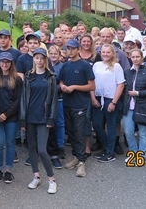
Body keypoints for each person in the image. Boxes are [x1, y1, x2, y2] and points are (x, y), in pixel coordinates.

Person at [20, 47, 58, 194]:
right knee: (31, 148)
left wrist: (51, 118)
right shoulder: (28, 76)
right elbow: (24, 98)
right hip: (30, 117)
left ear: (45, 59)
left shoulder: (51, 77)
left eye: (42, 58)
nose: (39, 60)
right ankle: (36, 176)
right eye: (37, 58)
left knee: (42, 150)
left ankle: (51, 179)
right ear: (33, 59)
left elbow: (54, 99)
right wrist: (22, 119)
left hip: (44, 117)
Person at [59, 39, 95, 177]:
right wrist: (63, 86)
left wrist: (74, 87)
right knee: (72, 132)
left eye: (73, 48)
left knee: (80, 132)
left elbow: (92, 86)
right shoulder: (65, 65)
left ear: (78, 49)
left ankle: (82, 163)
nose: (71, 51)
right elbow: (61, 81)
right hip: (67, 103)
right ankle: (76, 157)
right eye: (68, 48)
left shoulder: (85, 65)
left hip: (80, 104)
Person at [120, 49, 146, 161]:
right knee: (128, 131)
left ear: (142, 58)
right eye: (133, 57)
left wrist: (138, 93)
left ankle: (143, 154)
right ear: (130, 58)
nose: (135, 59)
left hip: (143, 106)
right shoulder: (127, 71)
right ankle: (134, 153)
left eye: (138, 57)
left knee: (143, 132)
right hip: (128, 106)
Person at [91, 44, 125, 163]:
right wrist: (93, 98)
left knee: (111, 125)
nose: (105, 54)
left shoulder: (116, 66)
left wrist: (114, 102)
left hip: (110, 99)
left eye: (108, 52)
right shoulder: (96, 65)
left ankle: (110, 152)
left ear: (113, 53)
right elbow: (91, 82)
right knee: (96, 125)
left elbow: (121, 85)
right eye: (103, 52)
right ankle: (106, 147)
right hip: (98, 98)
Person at [0, 52, 22, 184]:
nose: (5, 64)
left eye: (7, 62)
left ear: (11, 64)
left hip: (11, 116)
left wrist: (6, 114)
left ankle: (8, 170)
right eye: (2, 62)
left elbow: (18, 100)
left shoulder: (16, 79)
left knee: (10, 143)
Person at [48, 45, 65, 160]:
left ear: (59, 55)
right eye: (52, 54)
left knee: (59, 123)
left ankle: (60, 146)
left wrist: (54, 89)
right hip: (46, 99)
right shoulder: (45, 66)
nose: (53, 56)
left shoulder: (62, 67)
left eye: (56, 54)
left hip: (58, 98)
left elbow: (63, 83)